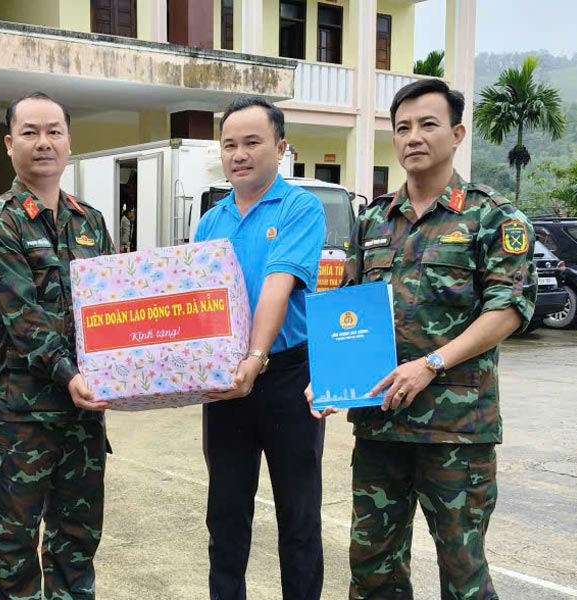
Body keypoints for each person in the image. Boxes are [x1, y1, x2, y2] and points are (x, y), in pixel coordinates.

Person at [306, 79, 536, 600]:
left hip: (455, 433)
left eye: (427, 124)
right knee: (372, 568)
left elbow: (507, 309)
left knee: (463, 571)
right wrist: (330, 379)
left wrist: (431, 362)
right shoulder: (373, 220)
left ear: (456, 134)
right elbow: (349, 310)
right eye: (403, 127)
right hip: (381, 428)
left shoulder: (493, 217)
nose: (413, 137)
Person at [0, 91, 114, 600]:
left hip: (83, 417)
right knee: (13, 545)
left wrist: (135, 365)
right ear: (10, 144)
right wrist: (72, 373)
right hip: (22, 421)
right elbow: (25, 320)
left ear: (69, 141)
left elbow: (113, 311)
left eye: (54, 130)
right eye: (30, 132)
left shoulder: (91, 222)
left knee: (77, 542)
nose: (43, 142)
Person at [194, 96, 327, 600]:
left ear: (281, 147)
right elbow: (197, 304)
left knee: (298, 514)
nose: (239, 154)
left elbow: (278, 282)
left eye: (252, 142)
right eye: (230, 145)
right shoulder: (212, 222)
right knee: (225, 514)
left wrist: (256, 357)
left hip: (287, 378)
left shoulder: (300, 208)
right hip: (224, 382)